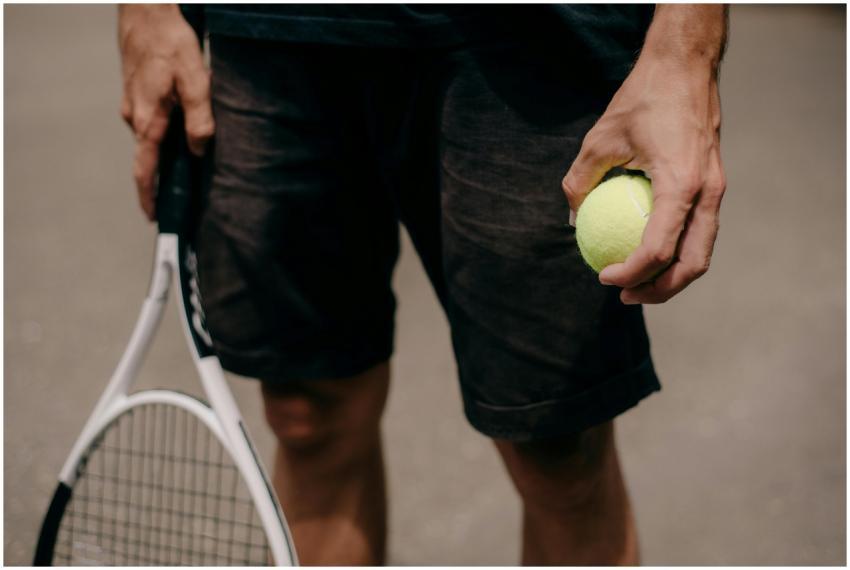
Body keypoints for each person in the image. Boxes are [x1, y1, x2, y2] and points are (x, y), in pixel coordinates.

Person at [118, 4, 727, 565]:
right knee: (308, 414)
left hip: (534, 39)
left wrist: (685, 52)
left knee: (559, 443)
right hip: (275, 29)